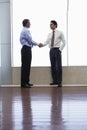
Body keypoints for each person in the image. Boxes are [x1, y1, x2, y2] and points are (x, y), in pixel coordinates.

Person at [39, 20, 65, 87]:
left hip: (57, 50)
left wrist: (60, 49)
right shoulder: (49, 34)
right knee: (53, 66)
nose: (50, 26)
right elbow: (46, 42)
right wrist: (42, 45)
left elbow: (64, 42)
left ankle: (59, 82)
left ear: (55, 25)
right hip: (51, 50)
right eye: (50, 24)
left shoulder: (60, 32)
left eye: (51, 24)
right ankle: (55, 81)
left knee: (59, 66)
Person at [20, 19, 41, 88]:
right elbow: (30, 40)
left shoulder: (25, 30)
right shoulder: (26, 30)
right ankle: (24, 83)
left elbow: (30, 40)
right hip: (26, 49)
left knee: (27, 66)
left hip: (26, 49)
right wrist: (38, 44)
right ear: (26, 23)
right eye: (29, 23)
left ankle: (26, 82)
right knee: (25, 66)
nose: (30, 24)